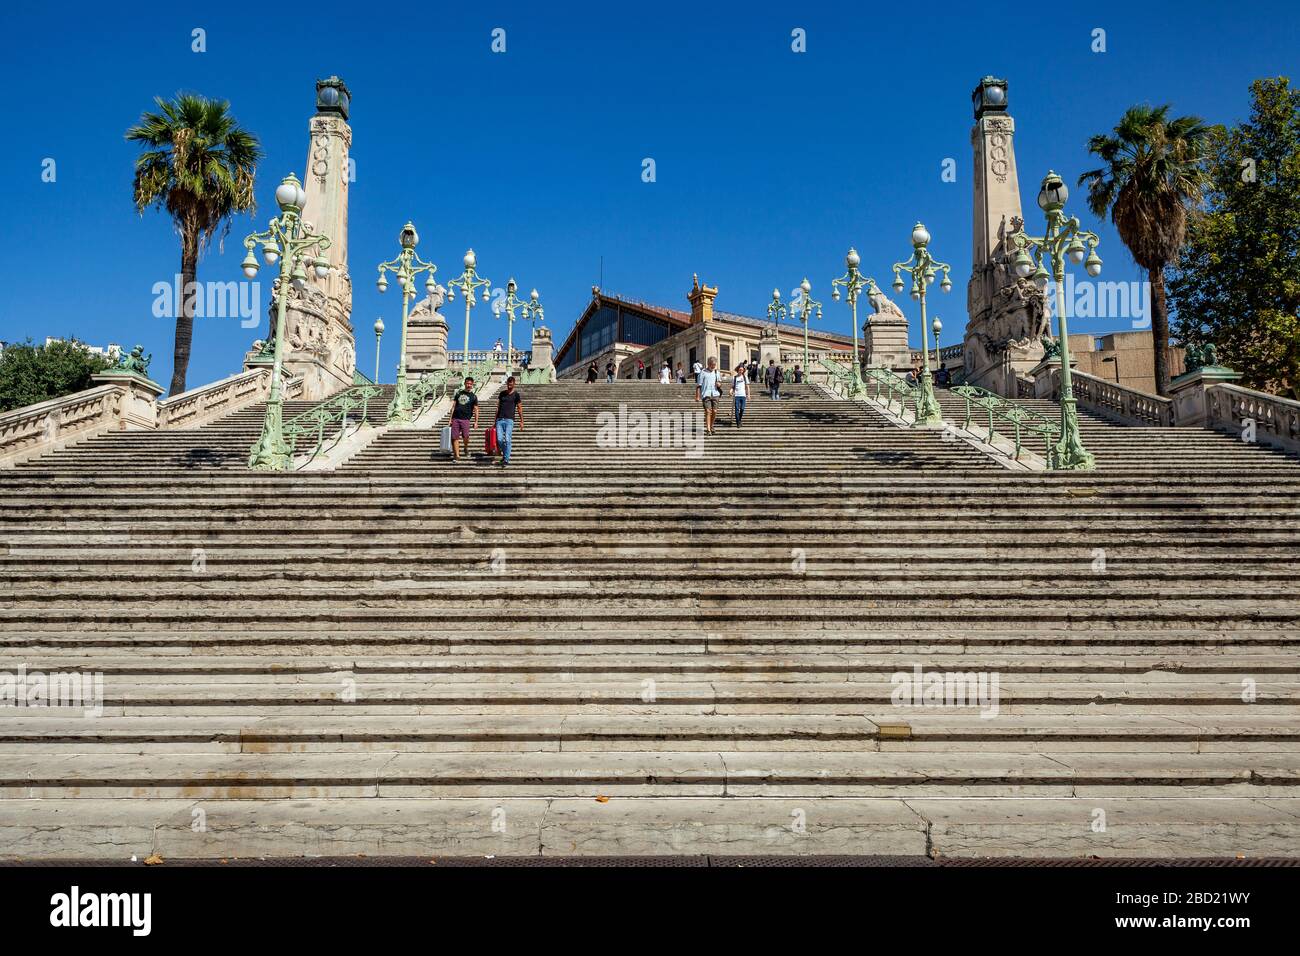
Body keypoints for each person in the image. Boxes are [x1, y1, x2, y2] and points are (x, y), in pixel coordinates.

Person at [494, 376, 524, 467]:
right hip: (500, 420)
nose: (510, 385)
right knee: (499, 440)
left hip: (509, 420)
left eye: (511, 383)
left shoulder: (516, 395)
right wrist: (494, 420)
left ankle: (506, 459)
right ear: (507, 383)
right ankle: (505, 454)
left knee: (507, 439)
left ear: (514, 384)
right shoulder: (502, 393)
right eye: (508, 383)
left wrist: (521, 421)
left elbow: (519, 408)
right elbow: (498, 407)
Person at [449, 375, 478, 463]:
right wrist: (450, 419)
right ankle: (457, 456)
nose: (469, 385)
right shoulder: (458, 393)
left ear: (472, 385)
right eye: (467, 383)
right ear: (464, 383)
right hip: (456, 418)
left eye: (470, 384)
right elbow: (453, 406)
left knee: (466, 436)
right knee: (455, 437)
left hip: (466, 419)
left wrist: (476, 421)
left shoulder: (474, 396)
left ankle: (465, 447)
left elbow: (476, 409)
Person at [696, 356, 722, 436]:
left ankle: (711, 426)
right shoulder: (703, 372)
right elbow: (699, 385)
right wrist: (697, 396)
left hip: (715, 394)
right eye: (712, 364)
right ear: (708, 364)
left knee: (714, 411)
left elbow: (720, 383)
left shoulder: (716, 372)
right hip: (706, 394)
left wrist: (719, 384)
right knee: (708, 411)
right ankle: (708, 429)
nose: (713, 366)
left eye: (714, 364)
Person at [731, 362, 749, 428]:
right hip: (736, 395)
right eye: (740, 370)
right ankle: (738, 423)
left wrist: (748, 394)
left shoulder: (745, 377)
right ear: (738, 370)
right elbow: (733, 386)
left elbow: (747, 386)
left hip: (743, 395)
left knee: (742, 408)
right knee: (736, 409)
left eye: (742, 370)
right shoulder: (734, 378)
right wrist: (731, 391)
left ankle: (739, 420)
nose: (741, 371)